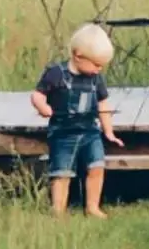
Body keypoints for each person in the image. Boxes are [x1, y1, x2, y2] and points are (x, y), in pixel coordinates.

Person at [30, 23, 125, 217]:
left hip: (90, 132)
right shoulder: (56, 74)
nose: (99, 69)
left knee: (97, 167)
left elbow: (103, 104)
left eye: (102, 66)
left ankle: (92, 207)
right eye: (96, 64)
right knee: (62, 174)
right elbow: (37, 95)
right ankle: (58, 211)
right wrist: (43, 107)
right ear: (78, 55)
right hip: (63, 134)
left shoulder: (95, 79)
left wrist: (108, 131)